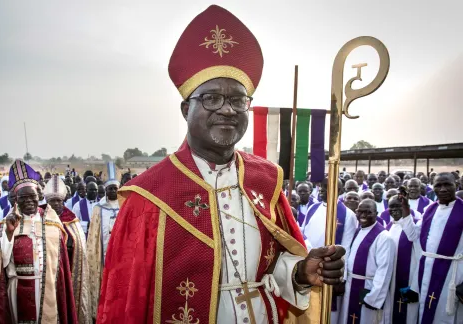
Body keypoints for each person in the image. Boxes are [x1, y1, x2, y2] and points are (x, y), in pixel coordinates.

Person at [98, 6, 346, 323]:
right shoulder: (148, 198)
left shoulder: (265, 181)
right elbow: (125, 302)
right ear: (186, 108)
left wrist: (300, 272)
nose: (228, 110)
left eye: (238, 100)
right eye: (212, 98)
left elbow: (273, 271)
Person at [0, 160, 78, 323]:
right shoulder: (5, 224)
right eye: (23, 197)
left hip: (47, 287)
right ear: (16, 199)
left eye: (32, 196)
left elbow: (61, 266)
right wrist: (8, 235)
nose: (28, 201)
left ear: (40, 197)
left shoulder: (52, 224)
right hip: (17, 289)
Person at [395, 172, 463, 323]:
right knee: (426, 311)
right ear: (433, 188)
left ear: (456, 185)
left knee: (447, 315)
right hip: (427, 270)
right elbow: (413, 235)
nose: (443, 189)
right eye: (438, 185)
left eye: (448, 185)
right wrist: (405, 208)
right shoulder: (429, 210)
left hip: (453, 273)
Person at [303, 177, 357, 322]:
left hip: (329, 270)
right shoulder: (312, 208)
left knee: (328, 315)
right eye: (321, 185)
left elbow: (347, 248)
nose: (321, 188)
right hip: (308, 267)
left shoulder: (348, 215)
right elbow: (303, 234)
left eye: (326, 186)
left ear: (338, 191)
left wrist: (341, 278)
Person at [44, 176, 91, 323]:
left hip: (70, 269)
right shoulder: (40, 219)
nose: (56, 204)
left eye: (59, 200)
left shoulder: (72, 219)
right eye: (53, 201)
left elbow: (80, 246)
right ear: (47, 201)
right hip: (48, 271)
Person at [340, 199, 394, 324]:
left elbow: (384, 270)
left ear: (376, 213)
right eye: (360, 212)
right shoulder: (357, 231)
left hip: (369, 289)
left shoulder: (384, 237)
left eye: (368, 212)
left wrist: (373, 298)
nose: (363, 215)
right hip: (351, 286)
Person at [383, 195, 420, 324]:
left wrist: (415, 286)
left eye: (398, 206)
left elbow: (421, 257)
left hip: (409, 280)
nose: (394, 209)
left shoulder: (414, 226)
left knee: (409, 316)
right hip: (391, 281)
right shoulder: (388, 228)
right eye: (391, 206)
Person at [87, 179, 120, 317]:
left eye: (115, 188)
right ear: (105, 191)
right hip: (103, 253)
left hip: (120, 253)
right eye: (110, 189)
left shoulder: (125, 205)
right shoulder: (98, 208)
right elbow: (93, 233)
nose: (113, 191)